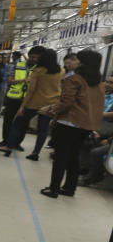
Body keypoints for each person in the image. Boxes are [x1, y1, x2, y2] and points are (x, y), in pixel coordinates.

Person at [39, 49, 105, 198]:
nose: (72, 61)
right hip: (85, 125)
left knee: (61, 156)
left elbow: (66, 102)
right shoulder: (99, 84)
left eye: (76, 59)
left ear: (82, 63)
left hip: (69, 122)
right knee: (73, 156)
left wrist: (50, 109)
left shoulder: (73, 79)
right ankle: (69, 188)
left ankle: (53, 189)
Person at [0, 48, 62, 161]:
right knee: (43, 130)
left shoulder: (38, 71)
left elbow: (31, 91)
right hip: (50, 104)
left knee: (18, 123)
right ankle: (35, 153)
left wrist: (22, 106)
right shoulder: (61, 71)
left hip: (34, 103)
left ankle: (9, 146)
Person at [0, 48, 41, 151]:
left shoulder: (39, 69)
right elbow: (9, 80)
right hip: (13, 97)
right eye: (33, 57)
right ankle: (5, 140)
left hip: (28, 100)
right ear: (28, 56)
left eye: (37, 58)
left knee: (24, 123)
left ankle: (17, 143)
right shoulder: (17, 66)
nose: (34, 59)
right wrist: (23, 80)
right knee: (8, 120)